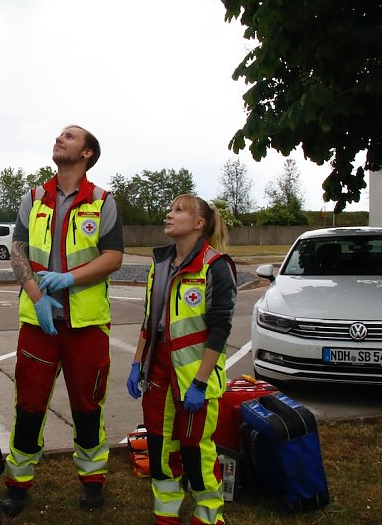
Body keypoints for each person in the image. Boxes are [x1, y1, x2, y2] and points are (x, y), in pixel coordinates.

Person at [0, 125, 124, 517]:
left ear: (87, 153)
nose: (59, 138)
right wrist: (37, 297)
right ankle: (18, 484)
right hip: (39, 325)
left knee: (88, 407)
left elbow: (114, 257)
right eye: (59, 135)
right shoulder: (33, 198)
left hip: (86, 327)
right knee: (29, 406)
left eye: (69, 136)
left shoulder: (102, 202)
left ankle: (92, 483)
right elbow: (18, 251)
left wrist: (71, 278)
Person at [126, 194, 237, 525]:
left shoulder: (216, 266)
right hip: (158, 371)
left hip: (194, 378)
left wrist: (201, 382)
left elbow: (220, 331)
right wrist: (136, 363)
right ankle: (166, 515)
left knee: (196, 451)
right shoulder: (160, 264)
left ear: (199, 224)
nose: (168, 215)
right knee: (160, 448)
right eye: (170, 208)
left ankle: (208, 515)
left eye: (178, 210)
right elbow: (150, 320)